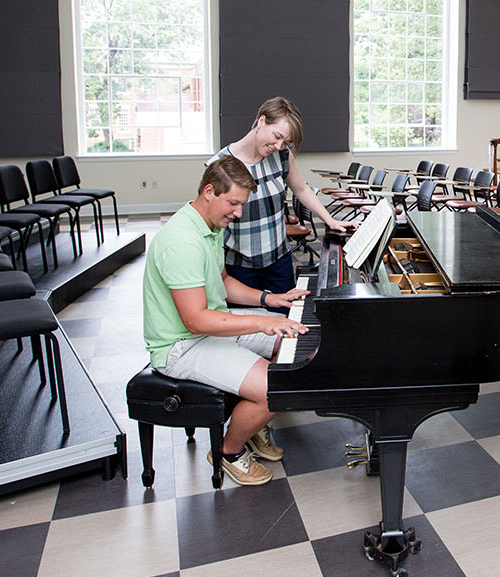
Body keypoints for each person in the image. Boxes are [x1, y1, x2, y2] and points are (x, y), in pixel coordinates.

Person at [143, 156, 310, 486]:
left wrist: (268, 300)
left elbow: (222, 282)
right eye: (233, 203)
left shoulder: (209, 226)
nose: (237, 213)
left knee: (298, 344)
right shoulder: (182, 242)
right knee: (280, 384)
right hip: (181, 346)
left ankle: (249, 426)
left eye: (241, 204)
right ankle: (228, 451)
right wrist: (260, 323)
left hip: (212, 328)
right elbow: (196, 321)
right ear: (209, 191)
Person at [206, 97, 356, 312]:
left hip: (279, 262)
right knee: (248, 331)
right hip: (239, 268)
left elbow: (302, 189)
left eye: (285, 142)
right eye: (276, 136)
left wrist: (330, 220)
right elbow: (210, 225)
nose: (278, 146)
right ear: (261, 121)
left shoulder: (282, 156)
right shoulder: (220, 164)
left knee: (286, 325)